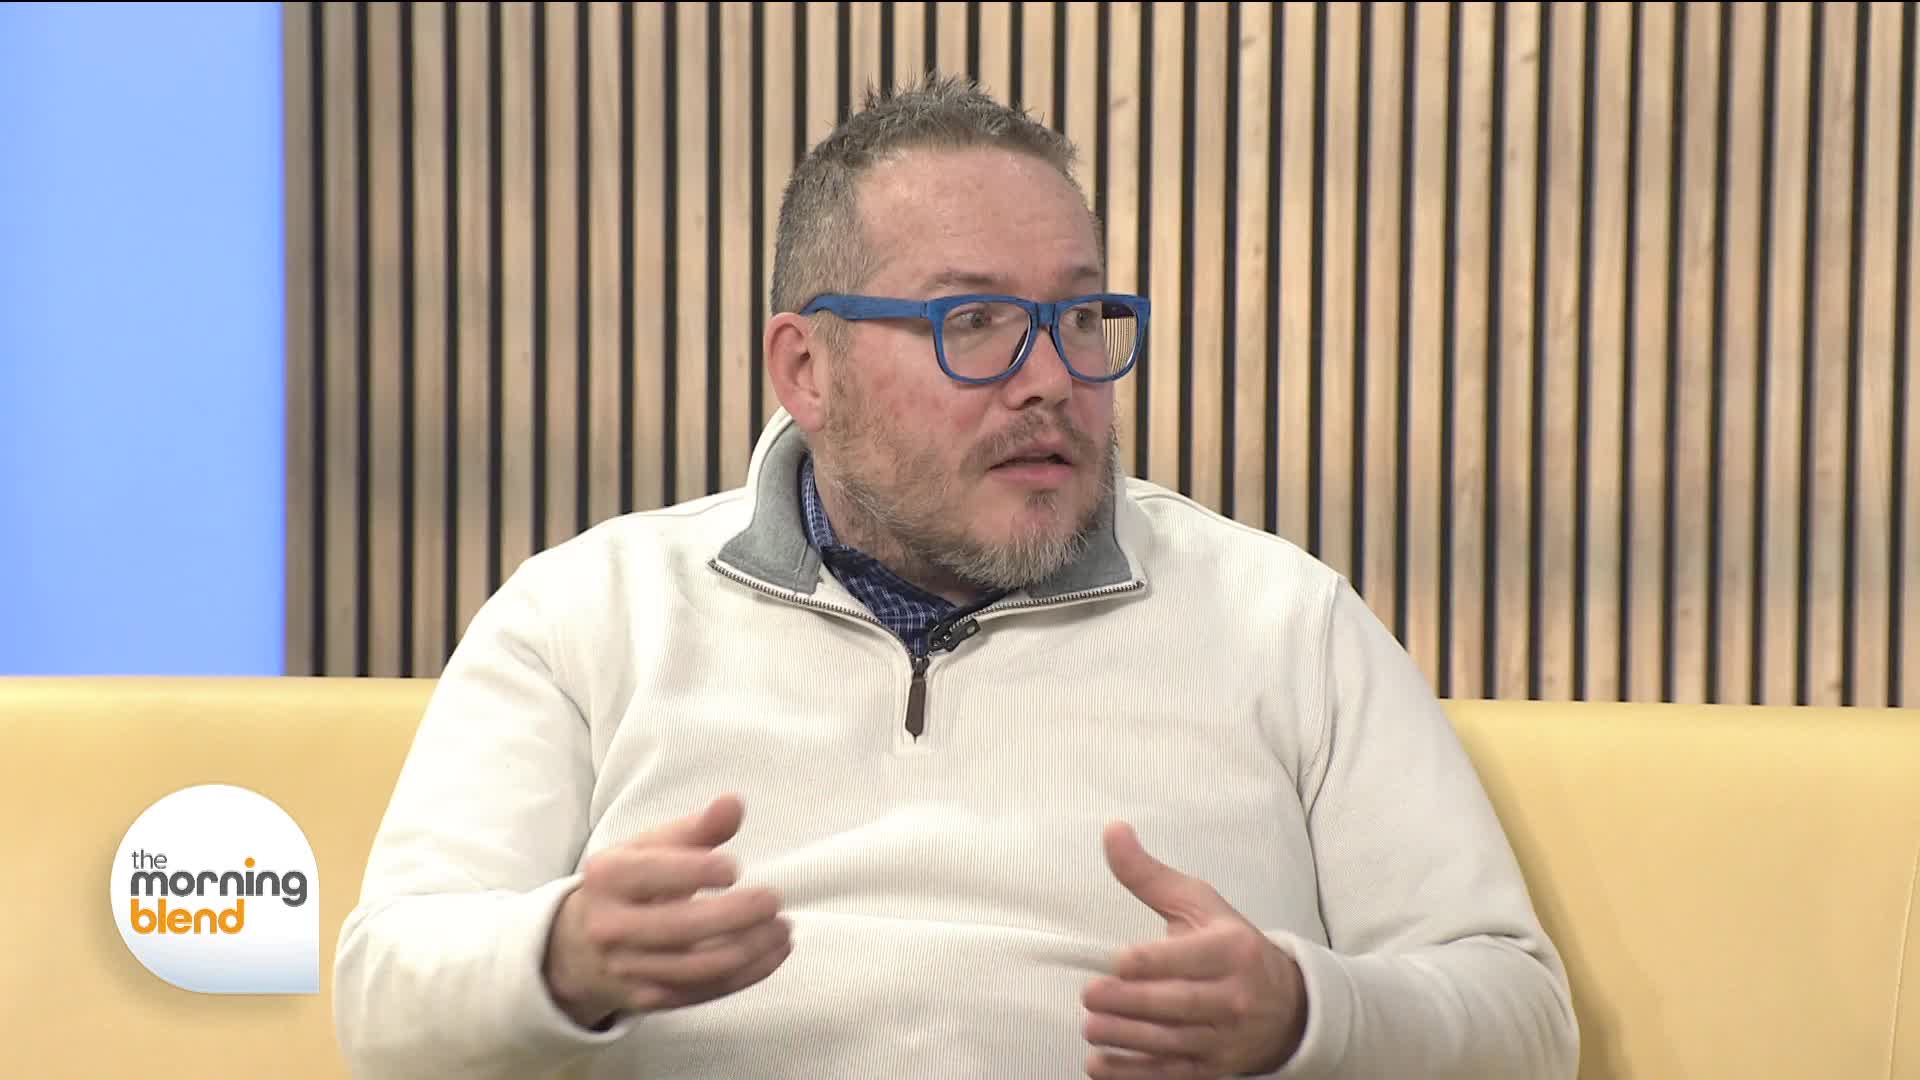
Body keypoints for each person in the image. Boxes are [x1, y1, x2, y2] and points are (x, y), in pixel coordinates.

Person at [333, 75, 1579, 1080]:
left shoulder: (1285, 622)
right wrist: (560, 959)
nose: (1049, 378)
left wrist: (1308, 1014)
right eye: (970, 322)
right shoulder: (587, 616)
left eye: (1080, 317)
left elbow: (1521, 1016)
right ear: (806, 369)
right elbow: (385, 998)